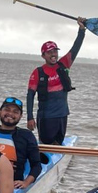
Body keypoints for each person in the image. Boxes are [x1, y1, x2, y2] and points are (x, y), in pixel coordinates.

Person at [27, 17, 86, 145]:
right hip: (46, 117)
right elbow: (30, 96)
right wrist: (30, 118)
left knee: (58, 143)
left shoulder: (64, 64)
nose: (53, 54)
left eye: (55, 51)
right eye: (49, 52)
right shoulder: (38, 72)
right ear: (43, 55)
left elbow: (75, 48)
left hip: (62, 115)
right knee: (47, 144)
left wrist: (81, 30)